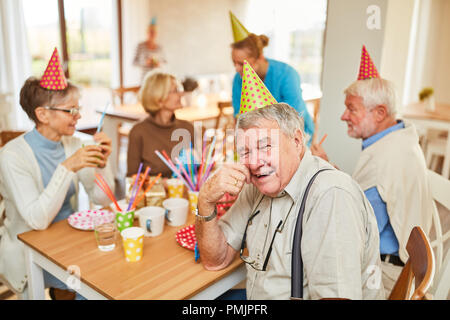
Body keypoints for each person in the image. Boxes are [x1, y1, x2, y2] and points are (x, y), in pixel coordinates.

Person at [195, 62, 384, 300]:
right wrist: (205, 201)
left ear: (296, 141)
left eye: (265, 146)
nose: (254, 161)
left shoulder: (329, 195)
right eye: (245, 152)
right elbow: (216, 260)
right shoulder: (259, 183)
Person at [311, 45, 435, 296]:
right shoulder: (398, 138)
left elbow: (355, 229)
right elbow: (365, 197)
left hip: (386, 272)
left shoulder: (385, 158)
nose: (343, 116)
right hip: (396, 261)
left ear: (379, 113)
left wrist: (322, 174)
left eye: (352, 109)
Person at [0, 49, 114, 300]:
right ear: (42, 114)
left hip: (70, 241)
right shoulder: (12, 156)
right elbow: (36, 220)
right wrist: (67, 167)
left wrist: (104, 163)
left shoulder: (74, 143)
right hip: (29, 249)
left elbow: (103, 199)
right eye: (70, 110)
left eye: (78, 108)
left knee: (108, 282)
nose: (79, 116)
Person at [229, 13, 315, 142]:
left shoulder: (286, 75)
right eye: (234, 62)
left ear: (260, 58)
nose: (236, 68)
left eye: (241, 63)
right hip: (262, 140)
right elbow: (239, 118)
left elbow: (296, 119)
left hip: (296, 137)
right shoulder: (238, 79)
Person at [127, 71, 194, 178]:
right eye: (175, 91)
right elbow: (132, 177)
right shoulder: (138, 132)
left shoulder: (188, 128)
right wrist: (161, 184)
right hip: (154, 194)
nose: (181, 94)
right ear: (159, 99)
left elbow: (198, 172)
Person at [133, 17, 167, 81]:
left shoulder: (160, 47)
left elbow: (165, 62)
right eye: (150, 32)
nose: (152, 34)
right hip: (145, 78)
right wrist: (145, 63)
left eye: (154, 32)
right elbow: (134, 63)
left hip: (157, 78)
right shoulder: (140, 46)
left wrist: (159, 63)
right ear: (147, 32)